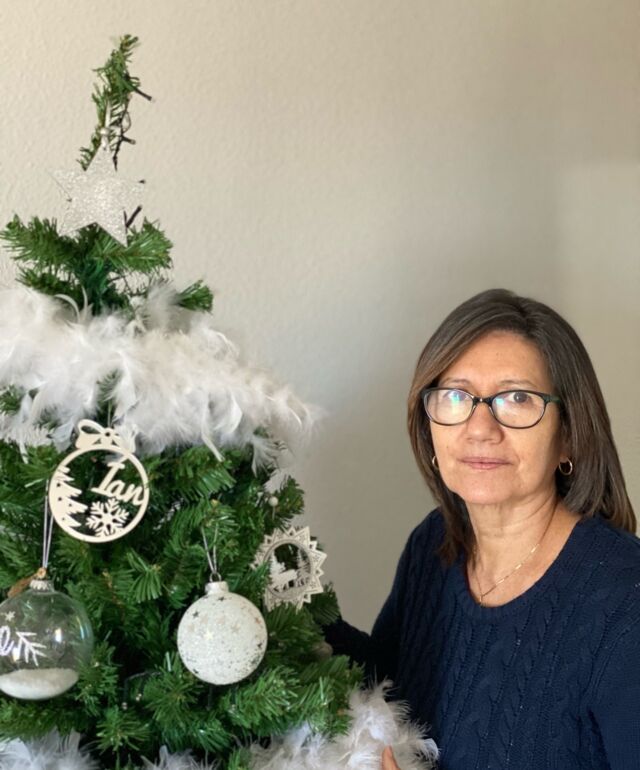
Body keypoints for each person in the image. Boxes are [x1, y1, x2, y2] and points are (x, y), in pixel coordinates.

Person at [325, 288, 640, 770]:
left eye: (517, 398)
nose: (480, 428)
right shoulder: (434, 544)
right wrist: (291, 608)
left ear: (569, 435)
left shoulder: (625, 600)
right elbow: (387, 685)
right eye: (456, 396)